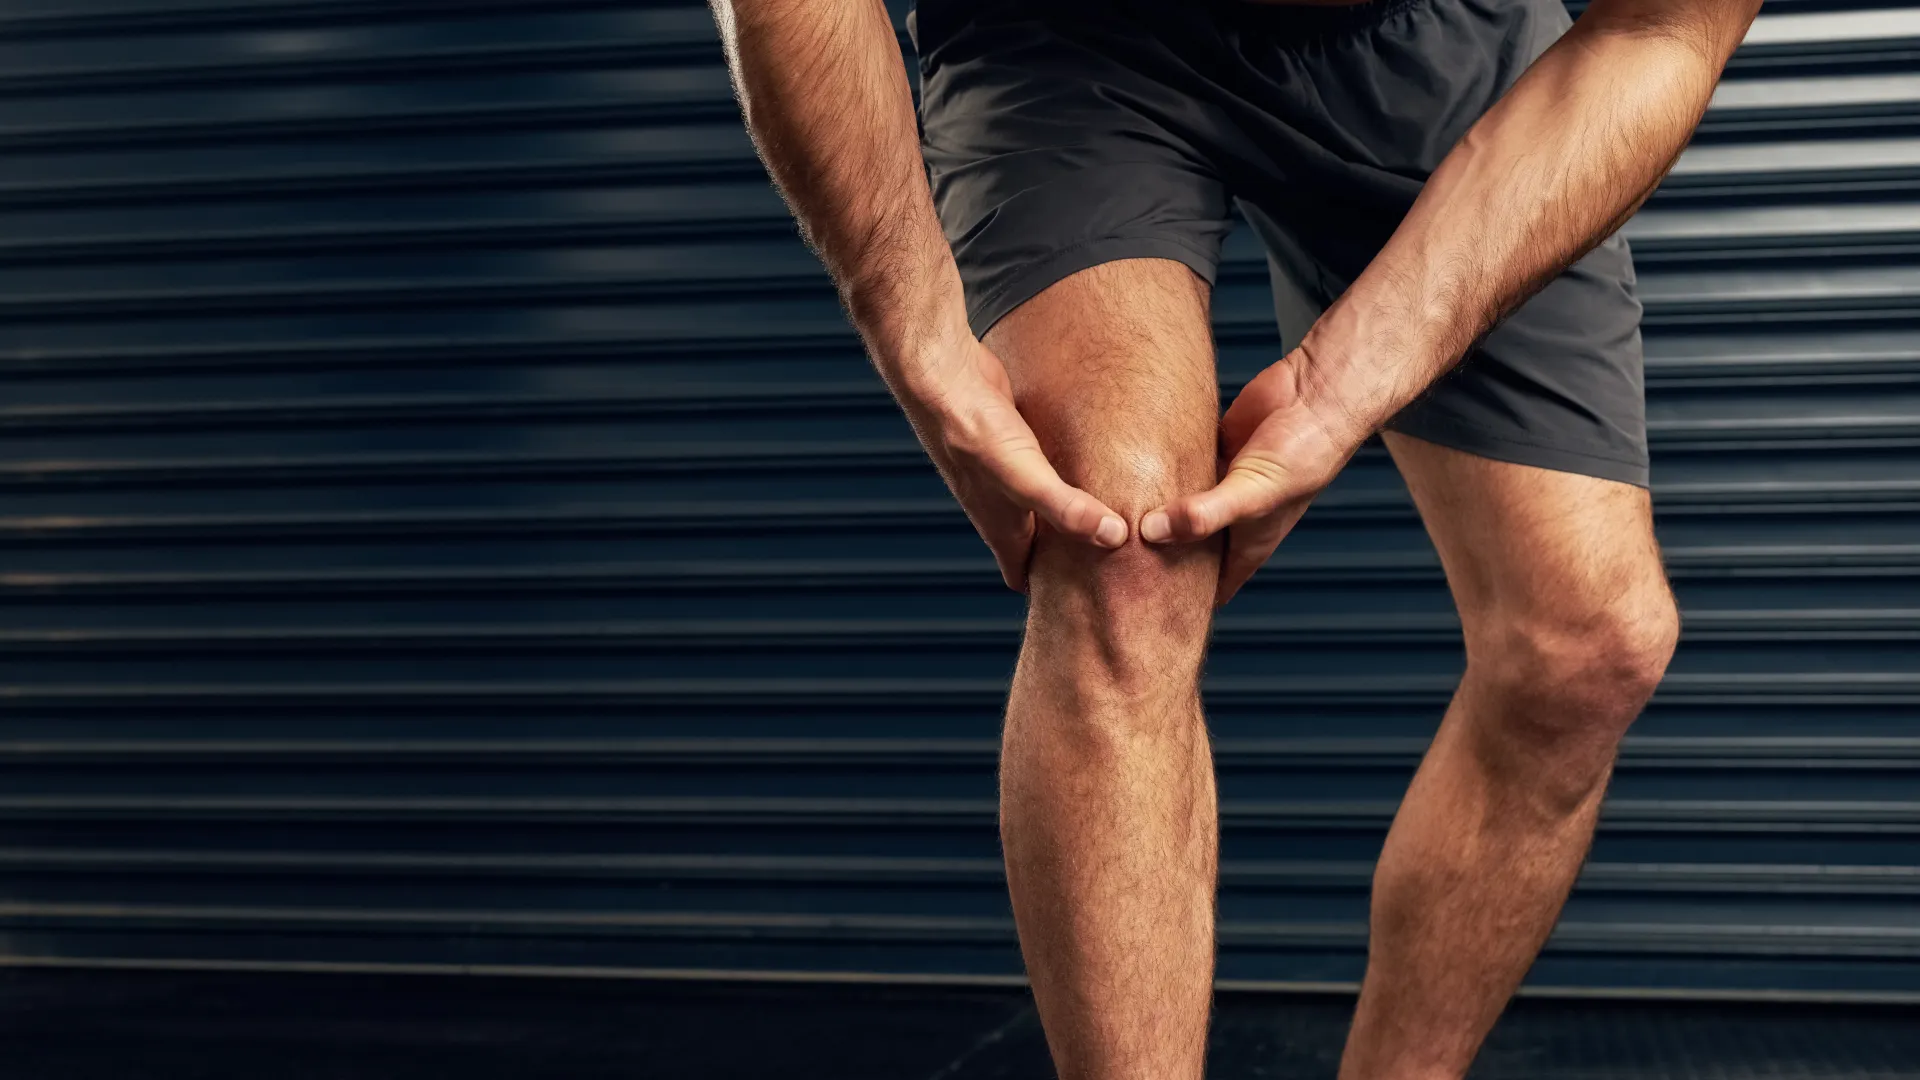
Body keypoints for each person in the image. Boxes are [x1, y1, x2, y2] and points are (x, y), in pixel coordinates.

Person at [710, 0, 1760, 1075]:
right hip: (1071, 41)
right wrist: (908, 313)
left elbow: (1662, 30)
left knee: (1588, 644)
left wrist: (1347, 378)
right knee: (1123, 549)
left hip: (1440, 38)